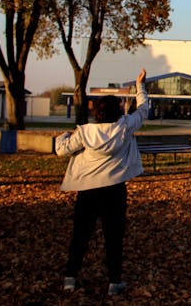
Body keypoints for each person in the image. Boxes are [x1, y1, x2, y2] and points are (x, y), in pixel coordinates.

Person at [55, 68, 148, 296]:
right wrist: (140, 86)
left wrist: (64, 137)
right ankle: (114, 282)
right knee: (114, 236)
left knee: (80, 235)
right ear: (118, 112)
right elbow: (144, 109)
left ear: (97, 113)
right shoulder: (125, 127)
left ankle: (70, 277)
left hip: (88, 190)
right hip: (115, 190)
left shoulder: (85, 133)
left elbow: (61, 150)